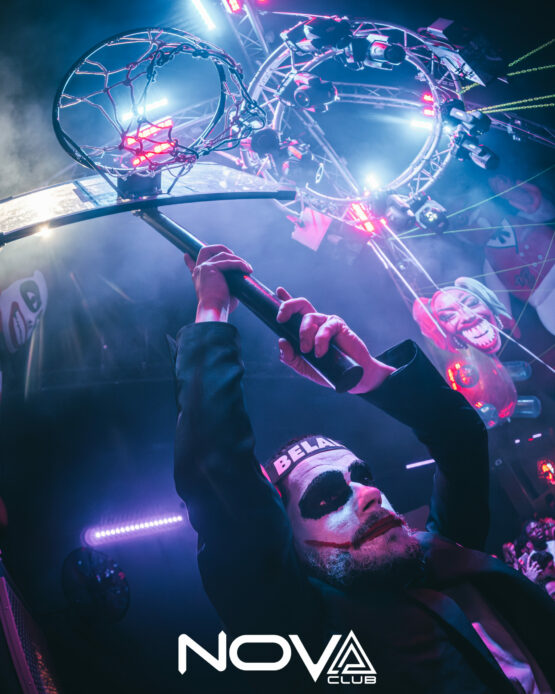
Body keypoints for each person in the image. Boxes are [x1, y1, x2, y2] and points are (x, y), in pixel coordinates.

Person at [171, 245, 555, 694]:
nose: (368, 494)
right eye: (328, 497)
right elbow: (218, 469)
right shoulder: (307, 634)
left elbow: (461, 438)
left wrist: (369, 374)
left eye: (364, 478)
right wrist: (212, 313)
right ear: (288, 543)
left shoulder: (446, 553)